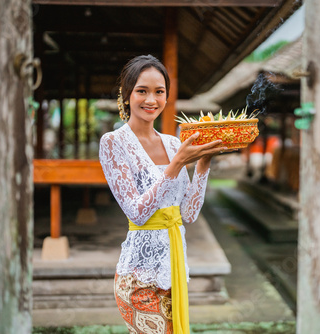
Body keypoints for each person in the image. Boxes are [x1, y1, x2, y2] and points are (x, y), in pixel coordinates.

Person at [99, 55, 226, 334]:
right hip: (139, 278)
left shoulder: (172, 143)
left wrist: (204, 163)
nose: (151, 100)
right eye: (142, 90)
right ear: (126, 94)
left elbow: (188, 215)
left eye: (159, 91)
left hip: (173, 273)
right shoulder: (113, 143)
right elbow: (137, 213)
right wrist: (178, 163)